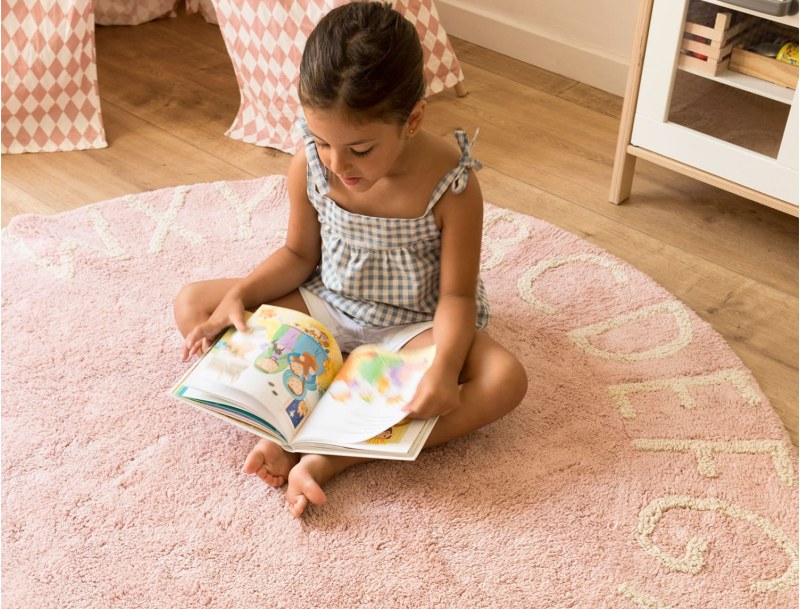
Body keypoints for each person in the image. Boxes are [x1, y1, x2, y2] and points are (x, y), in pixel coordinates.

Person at [174, 1, 528, 517]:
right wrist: (241, 296)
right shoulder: (312, 163)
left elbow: (455, 295)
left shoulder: (453, 183)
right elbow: (298, 254)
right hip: (328, 306)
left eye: (360, 149)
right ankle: (288, 425)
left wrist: (444, 368)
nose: (339, 165)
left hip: (415, 328)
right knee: (195, 304)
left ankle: (332, 457)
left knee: (504, 380)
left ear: (413, 119)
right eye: (322, 142)